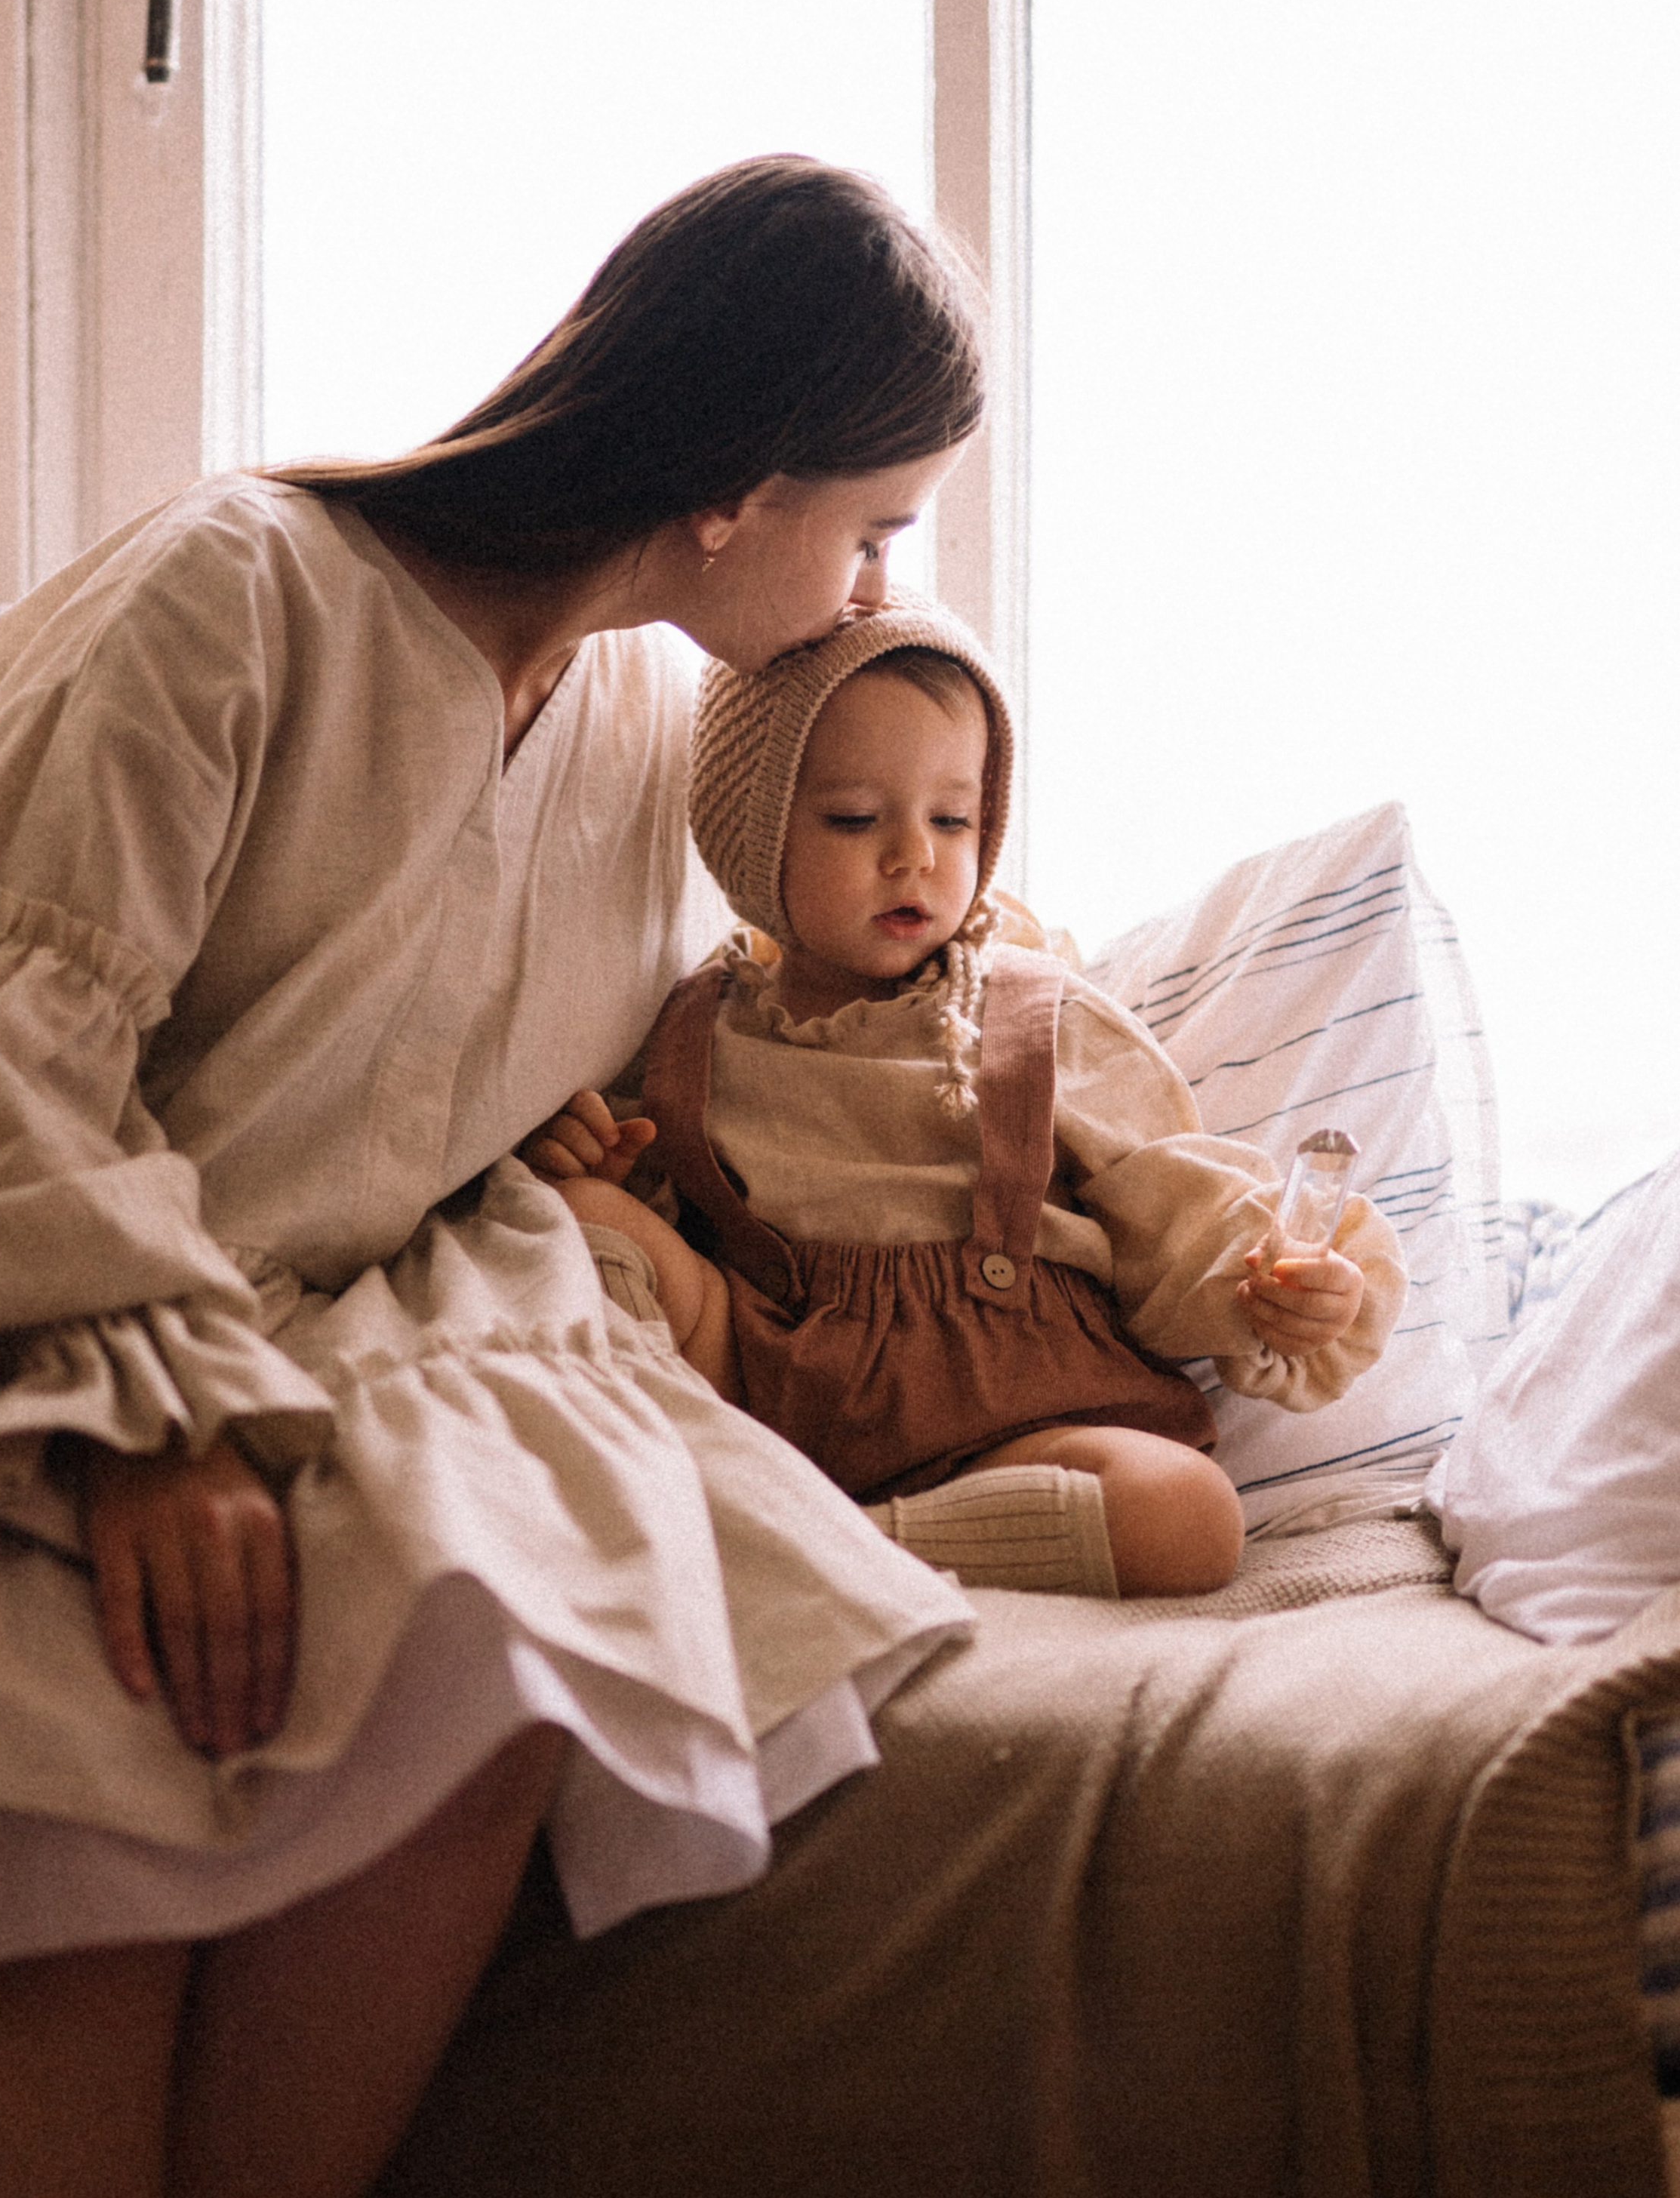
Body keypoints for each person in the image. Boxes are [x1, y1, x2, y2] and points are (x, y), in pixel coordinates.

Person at [0, 159, 987, 2198]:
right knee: (70, 1801)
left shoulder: (641, 720)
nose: (876, 591)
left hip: (361, 1316)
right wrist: (148, 1424)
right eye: (873, 528)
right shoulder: (235, 591)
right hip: (4, 1289)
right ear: (730, 489)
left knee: (498, 1660)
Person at [528, 603, 1408, 1599]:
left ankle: (842, 1546)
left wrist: (1275, 1287)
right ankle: (752, 1510)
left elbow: (1174, 1197)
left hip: (1015, 1422)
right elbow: (662, 1203)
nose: (917, 857)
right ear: (748, 836)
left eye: (954, 819)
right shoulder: (695, 1031)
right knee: (585, 1225)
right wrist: (600, 1169)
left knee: (1188, 1515)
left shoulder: (1042, 1014)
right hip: (774, 1391)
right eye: (856, 819)